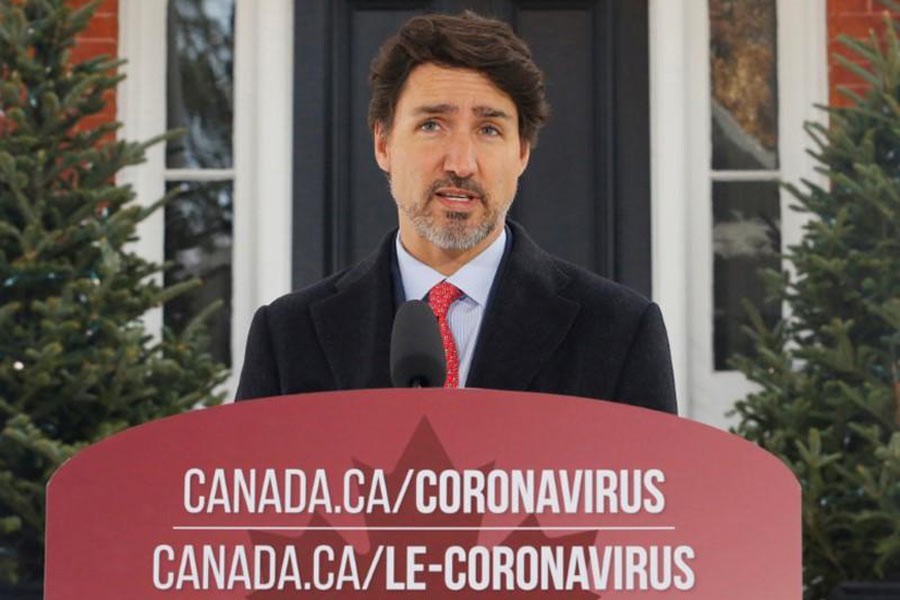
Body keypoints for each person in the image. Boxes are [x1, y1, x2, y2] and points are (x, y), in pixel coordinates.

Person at [236, 11, 677, 414]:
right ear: (383, 143)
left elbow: (659, 496)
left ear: (521, 152)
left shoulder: (619, 332)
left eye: (489, 129)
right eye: (432, 125)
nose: (461, 163)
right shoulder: (288, 337)